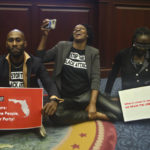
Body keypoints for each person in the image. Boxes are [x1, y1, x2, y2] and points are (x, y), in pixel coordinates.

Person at [36, 19, 122, 125]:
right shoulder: (61, 46)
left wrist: (92, 103)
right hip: (66, 98)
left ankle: (89, 108)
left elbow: (96, 78)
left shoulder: (93, 52)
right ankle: (93, 115)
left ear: (87, 35)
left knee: (120, 113)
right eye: (75, 29)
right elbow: (40, 58)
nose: (77, 30)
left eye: (81, 29)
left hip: (86, 95)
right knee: (55, 115)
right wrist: (44, 36)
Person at [1, 29, 62, 136]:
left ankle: (33, 123)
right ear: (6, 44)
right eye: (11, 40)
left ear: (25, 43)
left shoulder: (36, 62)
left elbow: (49, 83)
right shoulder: (1, 63)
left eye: (18, 40)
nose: (14, 44)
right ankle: (27, 124)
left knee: (54, 111)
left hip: (29, 104)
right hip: (8, 103)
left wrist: (54, 100)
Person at [105, 27, 150, 96]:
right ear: (133, 42)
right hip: (128, 94)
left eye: (146, 45)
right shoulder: (123, 54)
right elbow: (112, 75)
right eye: (139, 44)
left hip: (147, 94)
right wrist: (107, 94)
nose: (142, 48)